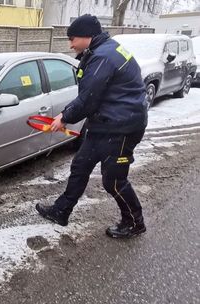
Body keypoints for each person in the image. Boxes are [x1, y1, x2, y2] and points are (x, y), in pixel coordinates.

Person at [35, 14, 148, 239]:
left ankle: (135, 222)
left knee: (113, 180)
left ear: (87, 36)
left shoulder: (104, 57)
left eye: (72, 38)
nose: (70, 44)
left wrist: (64, 117)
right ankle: (61, 211)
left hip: (122, 127)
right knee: (80, 166)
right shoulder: (103, 50)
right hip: (103, 123)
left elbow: (89, 98)